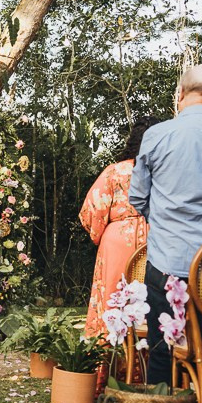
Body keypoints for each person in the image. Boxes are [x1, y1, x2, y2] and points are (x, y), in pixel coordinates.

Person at [128, 67, 202, 403]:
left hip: (166, 261)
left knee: (162, 345)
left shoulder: (157, 135)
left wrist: (168, 222)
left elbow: (137, 198)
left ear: (181, 94)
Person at [80, 116, 159, 337]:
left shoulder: (114, 172)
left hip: (117, 242)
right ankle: (146, 365)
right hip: (156, 237)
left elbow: (92, 210)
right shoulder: (164, 171)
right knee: (151, 299)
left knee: (112, 298)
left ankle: (108, 360)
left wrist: (100, 234)